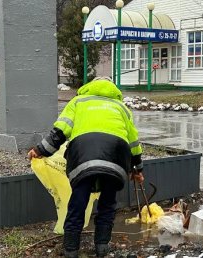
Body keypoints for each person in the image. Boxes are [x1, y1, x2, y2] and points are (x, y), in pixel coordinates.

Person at [27, 77, 144, 258]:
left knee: (78, 202)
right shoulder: (122, 108)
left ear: (89, 87)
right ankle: (102, 247)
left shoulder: (78, 101)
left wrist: (40, 150)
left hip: (83, 154)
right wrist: (138, 169)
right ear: (113, 89)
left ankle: (71, 249)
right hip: (116, 156)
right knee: (108, 202)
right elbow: (133, 142)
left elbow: (60, 131)